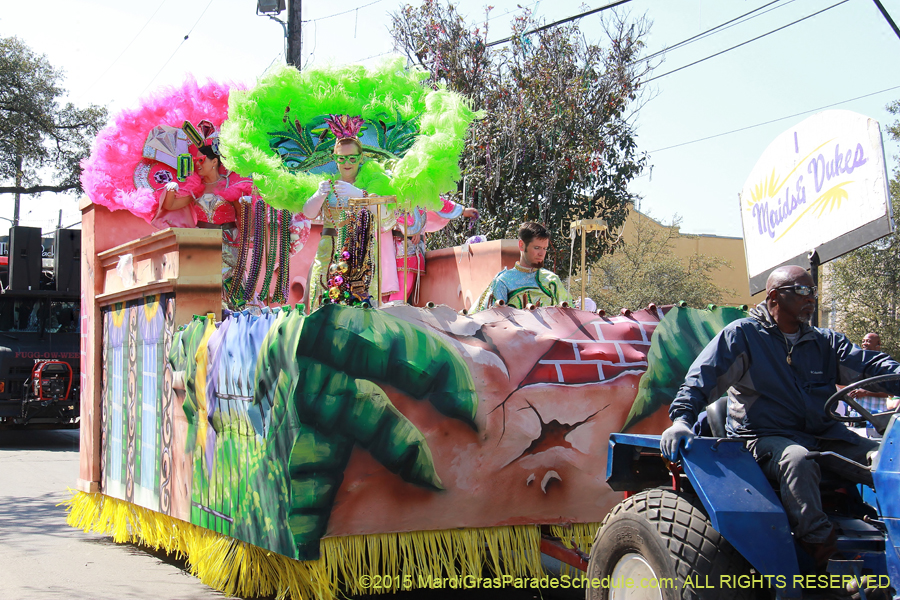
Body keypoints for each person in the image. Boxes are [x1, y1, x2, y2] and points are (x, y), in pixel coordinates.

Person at [660, 265, 900, 571]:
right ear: (774, 296)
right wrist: (682, 419)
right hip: (763, 437)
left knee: (889, 459)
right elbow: (700, 380)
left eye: (813, 292)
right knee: (798, 459)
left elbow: (871, 366)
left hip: (826, 435)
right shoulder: (743, 336)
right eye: (802, 291)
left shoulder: (825, 342)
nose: (811, 298)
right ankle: (822, 554)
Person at [474, 222, 572, 311]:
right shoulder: (504, 281)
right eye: (537, 248)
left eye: (545, 248)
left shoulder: (552, 280)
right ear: (521, 245)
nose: (542, 253)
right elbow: (491, 317)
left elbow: (569, 313)